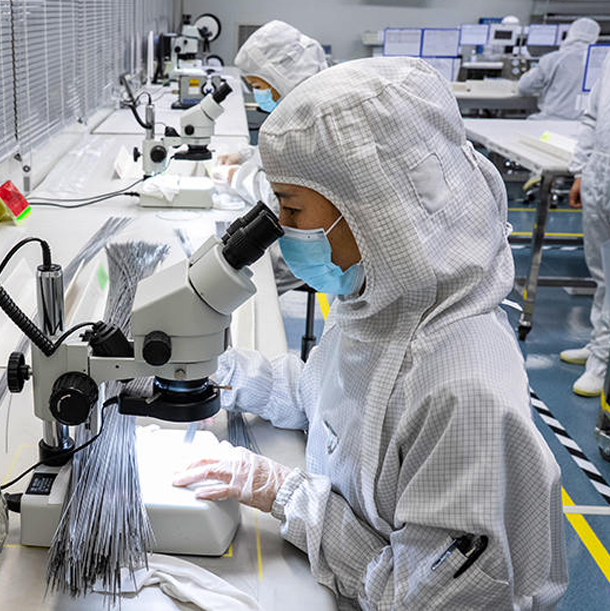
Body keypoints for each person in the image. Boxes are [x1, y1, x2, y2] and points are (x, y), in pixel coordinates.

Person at [174, 57, 567, 608]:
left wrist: (281, 491)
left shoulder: (463, 394)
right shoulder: (381, 305)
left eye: (290, 209)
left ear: (375, 211)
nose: (280, 229)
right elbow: (322, 399)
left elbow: (417, 597)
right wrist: (218, 372)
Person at [215, 20, 327, 294]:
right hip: (298, 231)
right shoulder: (302, 106)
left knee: (236, 288)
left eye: (257, 85)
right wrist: (245, 155)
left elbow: (282, 201)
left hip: (303, 247)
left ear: (280, 76)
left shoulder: (310, 122)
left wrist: (237, 177)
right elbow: (280, 157)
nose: (257, 93)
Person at [560, 52, 610, 397]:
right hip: (600, 173)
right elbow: (593, 116)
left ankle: (602, 362)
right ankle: (599, 343)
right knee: (601, 271)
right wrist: (580, 170)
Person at [518, 18, 601, 120]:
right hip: (585, 124)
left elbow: (524, 87)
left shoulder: (552, 59)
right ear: (595, 37)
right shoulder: (601, 62)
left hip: (550, 121)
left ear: (571, 33)